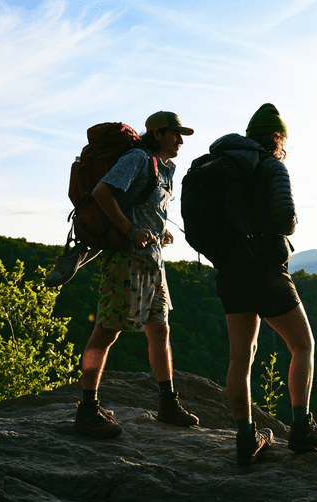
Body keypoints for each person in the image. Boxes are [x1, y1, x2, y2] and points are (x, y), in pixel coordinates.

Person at [209, 103, 317, 465]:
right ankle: (301, 428)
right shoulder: (271, 166)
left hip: (230, 271)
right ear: (277, 138)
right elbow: (284, 219)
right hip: (265, 269)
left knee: (240, 356)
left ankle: (246, 437)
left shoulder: (222, 167)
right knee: (303, 344)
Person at [74, 111, 199, 438]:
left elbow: (143, 206)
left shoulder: (161, 167)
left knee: (160, 330)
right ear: (157, 133)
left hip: (152, 263)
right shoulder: (138, 158)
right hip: (125, 260)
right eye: (175, 134)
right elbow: (103, 192)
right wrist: (130, 230)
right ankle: (88, 409)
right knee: (106, 332)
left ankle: (167, 403)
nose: (180, 140)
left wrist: (158, 232)